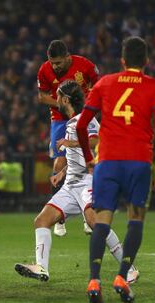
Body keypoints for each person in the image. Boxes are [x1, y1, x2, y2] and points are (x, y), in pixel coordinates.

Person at [14, 80, 139, 284]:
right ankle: (41, 267)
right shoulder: (72, 122)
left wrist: (70, 142)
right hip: (71, 185)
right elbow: (79, 154)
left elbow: (96, 140)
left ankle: (129, 268)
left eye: (58, 97)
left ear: (65, 99)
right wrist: (62, 172)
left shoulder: (85, 119)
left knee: (94, 222)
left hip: (88, 181)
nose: (56, 101)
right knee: (41, 220)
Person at [76, 37, 155, 303]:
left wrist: (88, 157)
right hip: (139, 163)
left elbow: (82, 125)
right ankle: (121, 277)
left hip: (107, 163)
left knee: (102, 222)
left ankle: (94, 280)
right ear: (147, 61)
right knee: (135, 219)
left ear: (123, 60)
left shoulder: (104, 83)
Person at [37, 40, 99, 236]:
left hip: (84, 115)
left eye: (58, 63)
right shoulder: (44, 70)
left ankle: (87, 214)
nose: (54, 67)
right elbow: (42, 96)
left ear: (67, 57)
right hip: (59, 119)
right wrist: (64, 102)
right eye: (52, 63)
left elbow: (98, 86)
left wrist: (84, 104)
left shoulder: (85, 65)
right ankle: (59, 218)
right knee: (60, 163)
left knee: (86, 158)